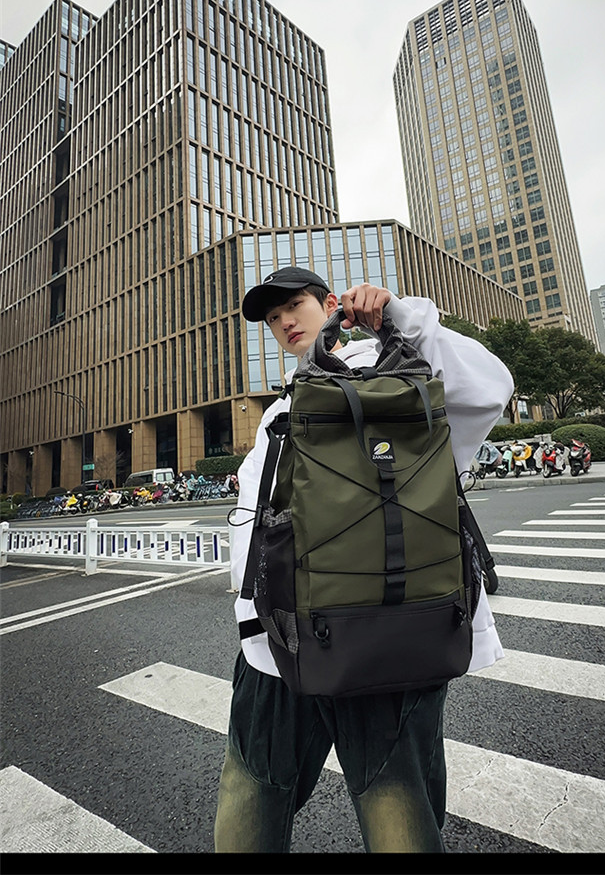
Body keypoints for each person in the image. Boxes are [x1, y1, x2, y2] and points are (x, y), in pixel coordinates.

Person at [214, 267, 514, 853]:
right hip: (274, 645)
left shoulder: (391, 381)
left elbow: (490, 388)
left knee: (396, 814)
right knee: (248, 805)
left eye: (294, 306)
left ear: (332, 304)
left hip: (384, 637)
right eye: (273, 318)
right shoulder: (283, 408)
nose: (284, 322)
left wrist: (398, 317)